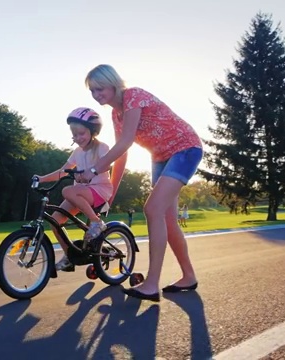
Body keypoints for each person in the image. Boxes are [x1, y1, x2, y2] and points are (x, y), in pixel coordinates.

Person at [79, 64, 203, 302]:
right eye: (92, 91)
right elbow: (122, 153)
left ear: (113, 83)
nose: (96, 95)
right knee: (166, 219)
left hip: (185, 148)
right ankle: (188, 276)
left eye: (100, 88)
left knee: (152, 209)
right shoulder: (116, 114)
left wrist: (93, 169)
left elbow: (125, 142)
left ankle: (151, 284)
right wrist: (111, 191)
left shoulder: (132, 96)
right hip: (160, 157)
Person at [35, 107, 113, 271]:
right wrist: (41, 179)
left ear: (93, 131)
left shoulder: (101, 147)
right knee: (56, 222)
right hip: (81, 193)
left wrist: (90, 173)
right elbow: (63, 172)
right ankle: (69, 257)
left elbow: (107, 164)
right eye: (75, 134)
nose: (78, 138)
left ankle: (96, 222)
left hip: (99, 190)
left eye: (81, 133)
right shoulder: (77, 152)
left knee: (67, 191)